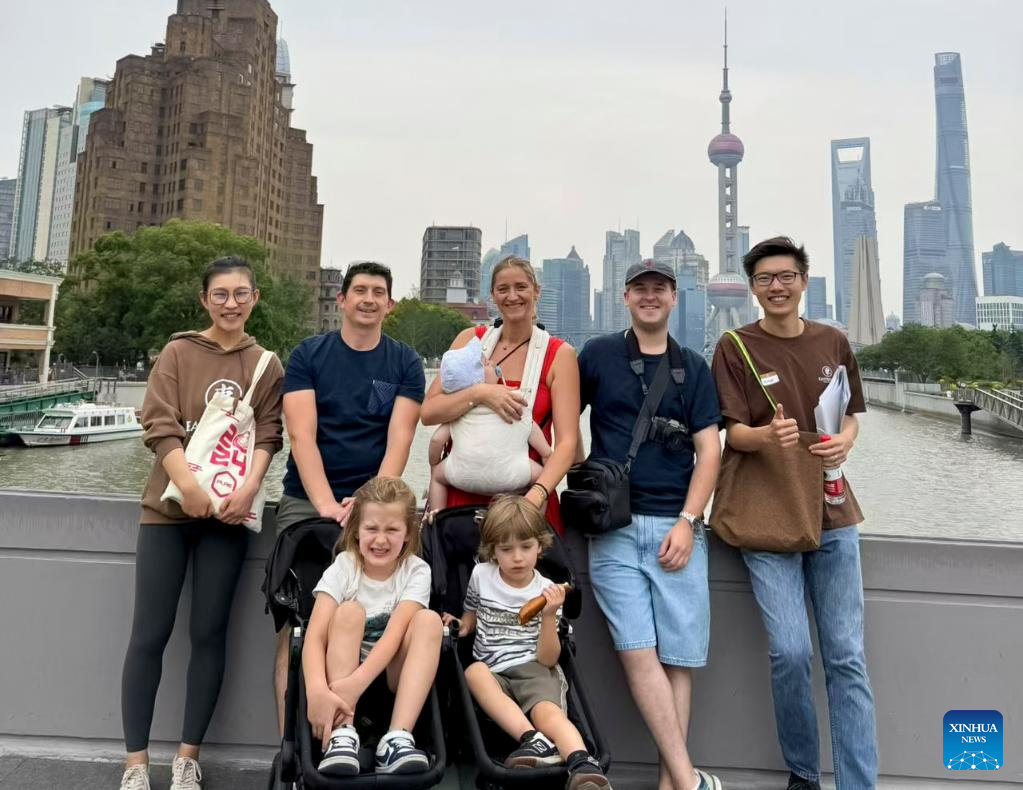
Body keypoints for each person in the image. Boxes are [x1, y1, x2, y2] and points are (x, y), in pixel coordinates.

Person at [710, 237, 877, 790]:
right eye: (764, 279)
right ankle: (804, 772)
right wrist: (766, 435)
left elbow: (852, 414)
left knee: (847, 657)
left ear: (804, 281)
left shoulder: (833, 340)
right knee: (791, 650)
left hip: (832, 509)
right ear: (753, 288)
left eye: (786, 276)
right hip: (768, 512)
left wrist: (844, 442)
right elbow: (730, 432)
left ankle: (859, 783)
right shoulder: (735, 346)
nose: (776, 287)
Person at [120, 256, 284, 790]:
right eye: (221, 294)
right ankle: (136, 763)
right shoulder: (178, 350)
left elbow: (268, 434)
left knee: (210, 633)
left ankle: (187, 757)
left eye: (241, 294)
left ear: (255, 299)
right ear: (204, 300)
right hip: (166, 510)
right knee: (149, 634)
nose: (231, 303)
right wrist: (187, 487)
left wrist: (250, 487)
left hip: (229, 515)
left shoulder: (266, 364)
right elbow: (158, 423)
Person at [577, 259, 723, 790]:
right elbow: (560, 416)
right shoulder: (597, 355)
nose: (649, 297)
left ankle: (672, 782)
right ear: (625, 297)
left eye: (659, 289)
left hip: (675, 527)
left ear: (674, 298)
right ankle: (687, 781)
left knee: (678, 659)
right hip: (613, 525)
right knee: (636, 651)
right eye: (640, 289)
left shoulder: (694, 368)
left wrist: (688, 521)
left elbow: (711, 452)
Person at [273, 261, 425, 730]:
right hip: (307, 500)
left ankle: (364, 734)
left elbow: (400, 439)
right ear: (341, 300)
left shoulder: (404, 362)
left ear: (390, 305)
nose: (368, 299)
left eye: (379, 292)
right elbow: (302, 436)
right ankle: (292, 749)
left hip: (375, 506)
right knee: (295, 630)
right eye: (359, 290)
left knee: (379, 618)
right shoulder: (308, 355)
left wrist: (366, 506)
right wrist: (325, 505)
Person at [442, 496, 612, 790]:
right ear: (492, 551)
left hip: (534, 667)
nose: (517, 557)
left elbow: (548, 659)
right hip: (493, 670)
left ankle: (583, 763)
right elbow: (471, 614)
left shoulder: (547, 590)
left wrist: (548, 616)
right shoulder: (481, 575)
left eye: (526, 547)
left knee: (547, 712)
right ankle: (534, 741)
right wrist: (459, 624)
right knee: (473, 672)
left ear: (539, 546)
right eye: (506, 549)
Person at [420, 257, 578, 531]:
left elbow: (567, 443)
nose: (512, 296)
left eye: (521, 287)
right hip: (461, 499)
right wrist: (481, 393)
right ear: (492, 295)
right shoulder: (470, 341)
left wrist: (536, 496)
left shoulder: (560, 355)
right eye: (503, 289)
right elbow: (429, 413)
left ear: (536, 291)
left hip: (527, 503)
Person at [304, 477, 443, 776]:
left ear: (408, 534)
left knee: (428, 620)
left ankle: (398, 737)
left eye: (392, 530)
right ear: (356, 531)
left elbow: (395, 635)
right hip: (342, 674)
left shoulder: (416, 571)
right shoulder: (344, 567)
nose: (380, 540)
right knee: (350, 611)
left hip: (392, 673)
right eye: (372, 529)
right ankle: (342, 734)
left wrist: (356, 685)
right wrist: (316, 691)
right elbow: (314, 637)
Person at [427, 336, 552, 509]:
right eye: (486, 364)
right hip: (513, 475)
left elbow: (436, 440)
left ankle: (436, 515)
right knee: (542, 482)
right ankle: (537, 521)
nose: (492, 363)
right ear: (477, 380)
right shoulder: (514, 400)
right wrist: (546, 456)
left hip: (461, 474)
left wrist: (434, 464)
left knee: (437, 479)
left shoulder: (459, 410)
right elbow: (535, 436)